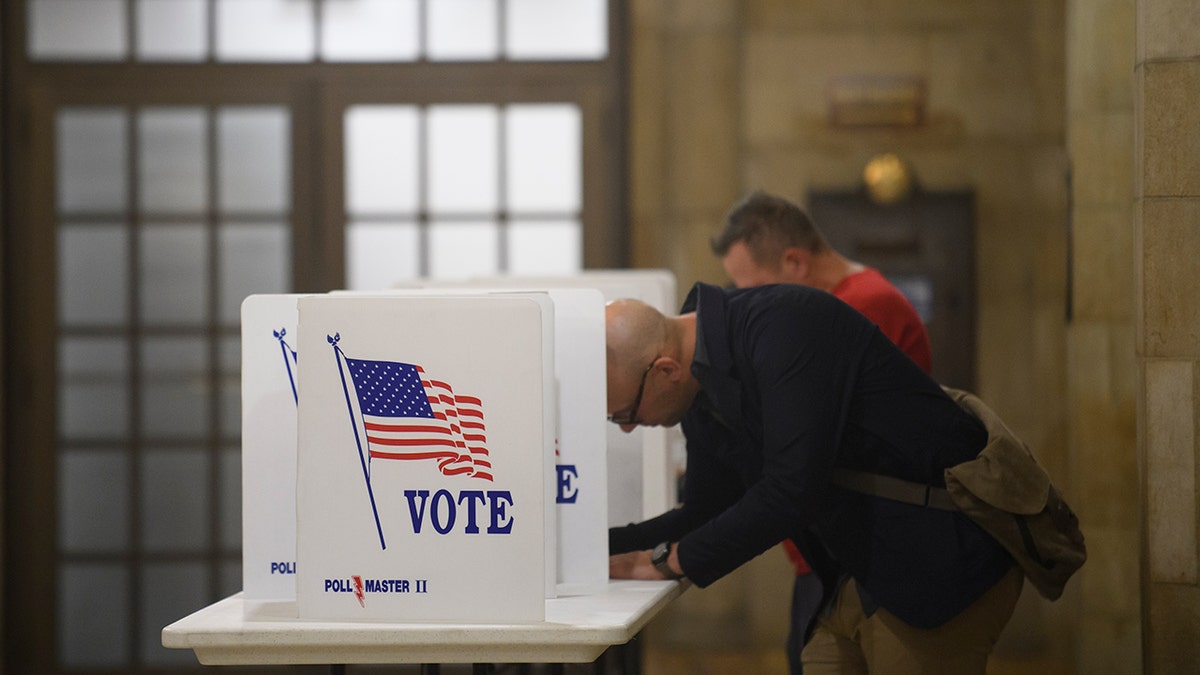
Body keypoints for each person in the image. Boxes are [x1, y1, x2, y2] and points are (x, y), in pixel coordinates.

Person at [605, 283, 1022, 674]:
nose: (627, 428)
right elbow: (703, 511)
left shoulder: (781, 325)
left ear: (665, 370)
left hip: (933, 562)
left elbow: (791, 490)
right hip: (848, 576)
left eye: (626, 414)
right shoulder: (699, 388)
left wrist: (671, 561)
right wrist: (595, 550)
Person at [710, 190, 935, 672]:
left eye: (752, 293)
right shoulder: (832, 308)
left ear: (794, 263)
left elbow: (804, 438)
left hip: (871, 557)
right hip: (831, 554)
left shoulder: (866, 305)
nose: (747, 309)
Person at [711, 190, 931, 373]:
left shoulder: (862, 306)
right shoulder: (840, 302)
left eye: (758, 290)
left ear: (796, 263)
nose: (753, 305)